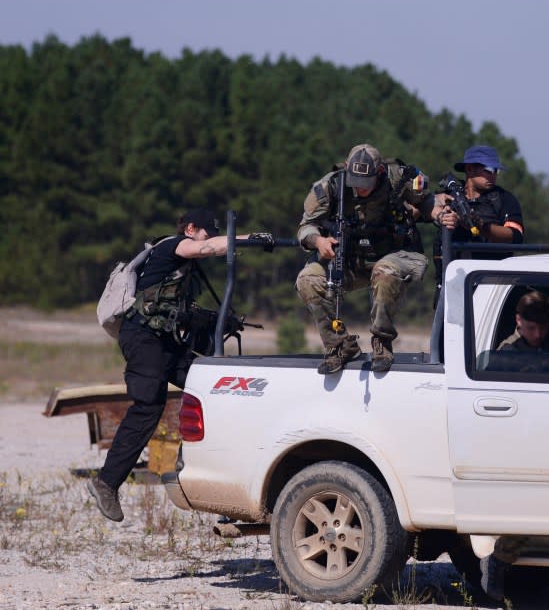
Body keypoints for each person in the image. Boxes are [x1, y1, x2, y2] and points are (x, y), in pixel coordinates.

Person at [88, 210, 267, 522]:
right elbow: (205, 248)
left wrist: (215, 321)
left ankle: (213, 481)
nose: (208, 241)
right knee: (149, 404)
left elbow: (178, 311)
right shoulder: (173, 246)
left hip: (164, 341)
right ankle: (107, 482)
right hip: (143, 338)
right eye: (205, 235)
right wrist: (245, 239)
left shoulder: (184, 271)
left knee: (211, 390)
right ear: (190, 229)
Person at [295, 143, 429, 375]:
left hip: (394, 255)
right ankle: (340, 346)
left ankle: (382, 342)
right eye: (355, 181)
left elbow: (428, 202)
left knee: (385, 271)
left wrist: (435, 211)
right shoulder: (329, 186)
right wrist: (319, 242)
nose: (361, 189)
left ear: (379, 172)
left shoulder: (399, 178)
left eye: (366, 183)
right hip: (349, 259)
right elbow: (306, 227)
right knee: (307, 280)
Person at [429, 145, 525, 246]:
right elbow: (415, 213)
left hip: (491, 261)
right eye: (489, 170)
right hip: (454, 261)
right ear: (470, 168)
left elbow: (516, 236)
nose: (493, 175)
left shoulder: (504, 198)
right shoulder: (448, 196)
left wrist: (482, 226)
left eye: (496, 170)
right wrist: (438, 210)